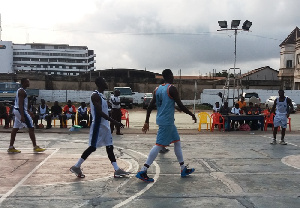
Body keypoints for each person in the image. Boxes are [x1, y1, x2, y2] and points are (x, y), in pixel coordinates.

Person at [136, 69, 197, 183]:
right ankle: (143, 170)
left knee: (177, 142)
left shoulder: (158, 89)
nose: (173, 77)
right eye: (172, 75)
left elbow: (151, 106)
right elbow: (181, 105)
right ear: (169, 76)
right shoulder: (171, 88)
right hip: (166, 122)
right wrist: (191, 114)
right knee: (158, 145)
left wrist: (147, 121)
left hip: (164, 120)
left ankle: (183, 168)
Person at [70, 77, 130, 178]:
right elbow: (99, 113)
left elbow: (105, 111)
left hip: (105, 126)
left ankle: (117, 170)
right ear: (99, 84)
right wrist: (115, 121)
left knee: (109, 146)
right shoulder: (95, 96)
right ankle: (76, 166)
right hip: (98, 126)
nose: (106, 83)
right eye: (104, 81)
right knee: (92, 147)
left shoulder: (102, 96)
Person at [8, 78, 46, 153]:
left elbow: (22, 104)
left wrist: (29, 111)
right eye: (28, 82)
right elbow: (20, 104)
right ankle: (35, 146)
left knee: (15, 128)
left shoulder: (21, 90)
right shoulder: (22, 91)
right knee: (31, 128)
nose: (29, 83)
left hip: (18, 110)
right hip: (20, 111)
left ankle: (11, 147)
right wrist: (22, 115)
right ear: (24, 83)